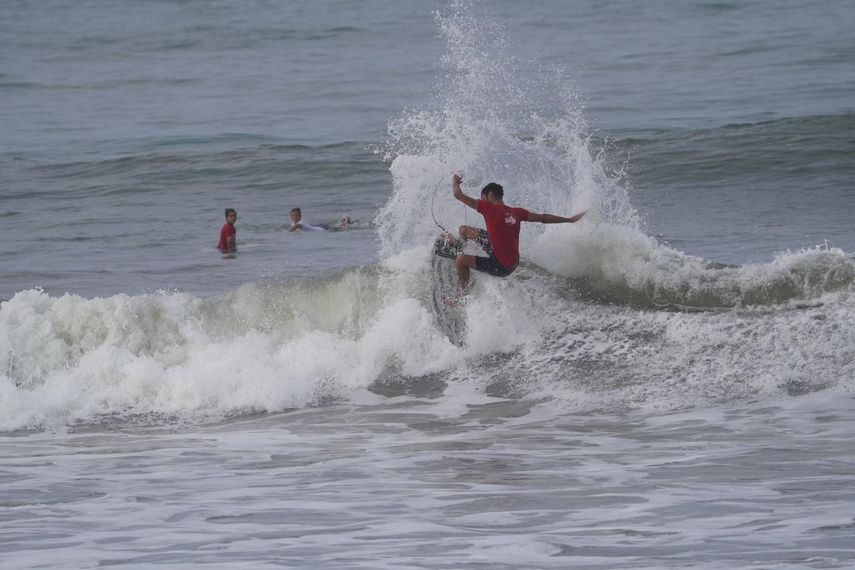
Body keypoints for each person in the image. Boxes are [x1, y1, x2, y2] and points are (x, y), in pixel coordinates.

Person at [448, 173, 585, 290]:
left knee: (461, 260)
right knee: (463, 230)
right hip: (508, 259)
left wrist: (455, 181)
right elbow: (543, 218)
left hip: (501, 266)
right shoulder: (517, 212)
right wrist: (570, 219)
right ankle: (460, 248)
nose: (482, 201)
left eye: (483, 197)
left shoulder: (488, 209)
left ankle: (462, 295)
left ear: (490, 195)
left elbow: (457, 194)